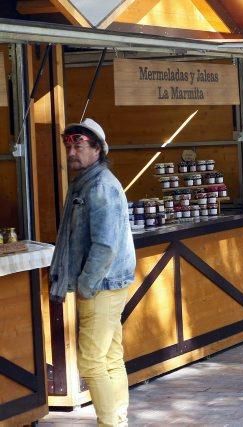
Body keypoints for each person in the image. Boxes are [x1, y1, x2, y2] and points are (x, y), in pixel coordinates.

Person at [49, 119, 136, 427]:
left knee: (91, 360)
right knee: (110, 357)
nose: (72, 151)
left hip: (102, 285)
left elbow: (105, 244)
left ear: (98, 149)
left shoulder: (99, 186)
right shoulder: (86, 181)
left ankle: (110, 422)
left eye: (79, 145)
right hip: (105, 284)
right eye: (68, 145)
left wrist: (86, 284)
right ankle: (118, 420)